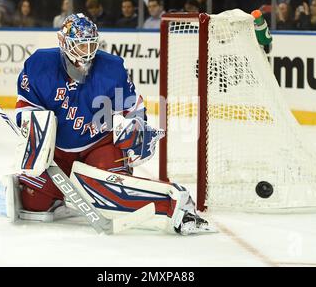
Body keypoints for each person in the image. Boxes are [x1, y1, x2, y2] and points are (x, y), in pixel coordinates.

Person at [12, 13, 213, 235]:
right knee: (33, 203)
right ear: (63, 42)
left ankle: (171, 202)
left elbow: (134, 108)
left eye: (90, 44)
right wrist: (33, 133)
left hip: (98, 146)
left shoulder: (111, 68)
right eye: (80, 45)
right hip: (56, 153)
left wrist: (136, 131)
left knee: (111, 194)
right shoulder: (40, 64)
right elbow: (26, 106)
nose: (87, 51)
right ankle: (62, 195)